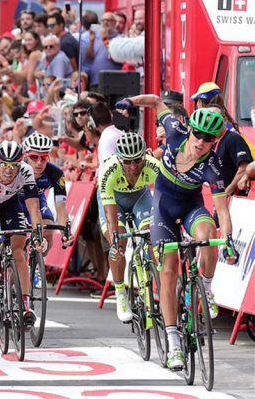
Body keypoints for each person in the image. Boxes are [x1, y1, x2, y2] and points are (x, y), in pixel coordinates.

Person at [116, 97, 235, 370]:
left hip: (192, 206)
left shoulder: (213, 166)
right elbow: (156, 101)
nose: (201, 141)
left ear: (215, 141)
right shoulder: (173, 131)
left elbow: (222, 211)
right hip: (163, 208)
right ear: (189, 128)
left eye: (208, 138)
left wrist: (226, 240)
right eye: (197, 134)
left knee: (209, 233)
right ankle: (173, 344)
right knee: (168, 270)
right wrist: (130, 101)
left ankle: (205, 289)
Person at [0, 141, 46, 323]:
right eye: (4, 164)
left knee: (19, 251)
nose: (9, 170)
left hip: (10, 204)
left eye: (14, 165)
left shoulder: (26, 171)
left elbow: (34, 208)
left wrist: (38, 235)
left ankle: (26, 305)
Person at [97, 132, 160, 322]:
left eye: (138, 160)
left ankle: (154, 280)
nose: (133, 167)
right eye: (127, 162)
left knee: (153, 237)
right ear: (119, 159)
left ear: (145, 156)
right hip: (114, 201)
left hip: (140, 197)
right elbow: (109, 214)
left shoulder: (153, 166)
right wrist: (115, 237)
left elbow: (162, 202)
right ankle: (120, 294)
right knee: (118, 246)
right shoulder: (109, 171)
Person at [20, 132, 71, 251]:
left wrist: (65, 232)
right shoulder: (17, 169)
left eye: (43, 158)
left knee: (48, 229)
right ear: (25, 156)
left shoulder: (56, 174)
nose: (39, 162)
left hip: (37, 201)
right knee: (16, 240)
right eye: (34, 157)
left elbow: (61, 208)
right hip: (13, 201)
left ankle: (38, 265)